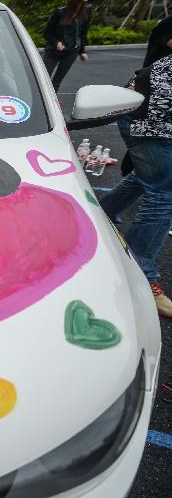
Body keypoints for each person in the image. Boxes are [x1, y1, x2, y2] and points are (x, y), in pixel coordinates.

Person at [100, 54, 172, 317]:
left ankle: (101, 217)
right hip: (149, 120)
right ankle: (139, 273)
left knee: (152, 178)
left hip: (151, 116)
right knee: (164, 192)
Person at [42, 0, 94, 90]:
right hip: (53, 52)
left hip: (71, 53)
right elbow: (47, 33)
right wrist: (57, 42)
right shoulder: (59, 12)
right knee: (43, 80)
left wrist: (82, 51)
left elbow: (83, 33)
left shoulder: (87, 12)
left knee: (56, 82)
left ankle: (52, 105)